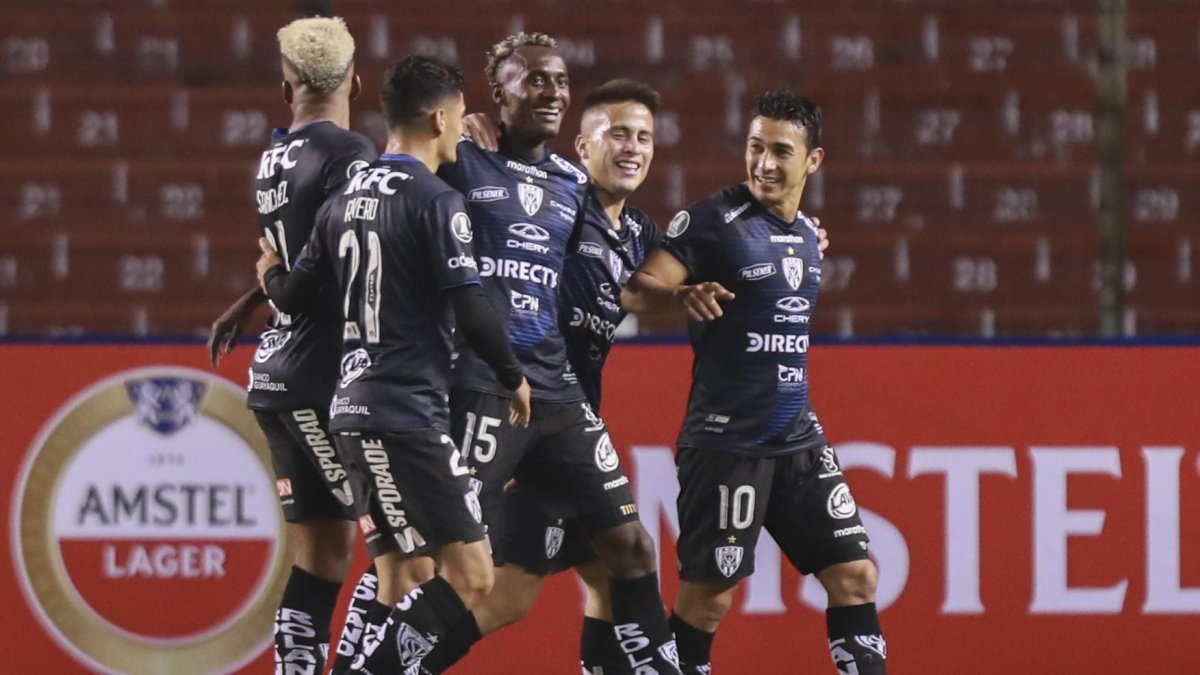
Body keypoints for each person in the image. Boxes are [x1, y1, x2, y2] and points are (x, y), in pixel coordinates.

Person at [256, 54, 534, 675]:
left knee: (405, 574)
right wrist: (514, 377)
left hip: (349, 411)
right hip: (407, 414)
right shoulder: (437, 199)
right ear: (438, 119)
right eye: (458, 118)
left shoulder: (342, 198)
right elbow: (472, 308)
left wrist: (268, 272)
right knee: (473, 575)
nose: (461, 130)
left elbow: (294, 296)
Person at [622, 91, 887, 674]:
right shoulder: (713, 221)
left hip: (797, 438)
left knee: (856, 576)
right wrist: (682, 295)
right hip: (727, 442)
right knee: (708, 600)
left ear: (813, 161)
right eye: (755, 147)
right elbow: (635, 291)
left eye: (781, 151)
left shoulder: (807, 234)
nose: (764, 163)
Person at [439, 33, 680, 673]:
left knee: (615, 563)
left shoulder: (630, 227)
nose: (632, 148)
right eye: (617, 135)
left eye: (643, 138)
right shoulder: (508, 174)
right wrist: (461, 128)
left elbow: (661, 280)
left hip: (566, 411)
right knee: (496, 590)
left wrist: (789, 229)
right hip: (502, 399)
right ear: (584, 144)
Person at [204, 17, 376, 674]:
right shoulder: (351, 152)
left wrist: (254, 297)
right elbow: (333, 264)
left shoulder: (272, 159)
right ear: (355, 81)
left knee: (322, 559)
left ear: (287, 86)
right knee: (402, 549)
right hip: (325, 377)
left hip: (278, 376)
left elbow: (295, 254)